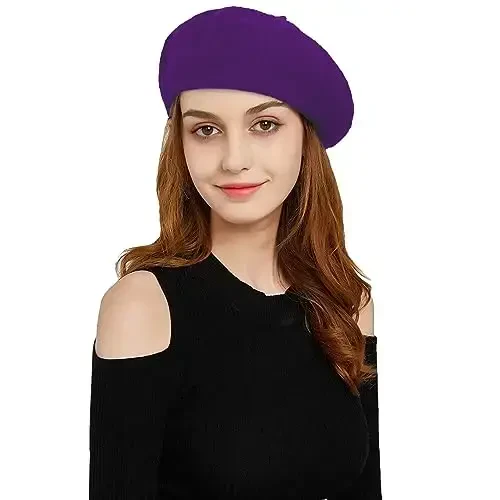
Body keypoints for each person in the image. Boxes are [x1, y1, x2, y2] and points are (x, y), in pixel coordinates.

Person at [89, 6, 381, 499]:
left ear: (305, 139)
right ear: (180, 145)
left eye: (264, 124)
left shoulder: (346, 301)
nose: (234, 159)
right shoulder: (144, 307)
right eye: (206, 129)